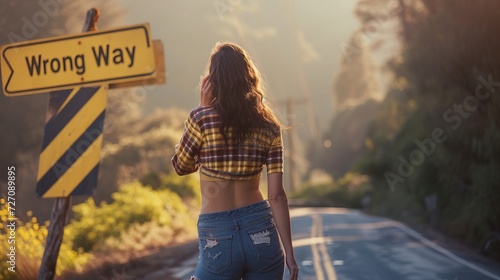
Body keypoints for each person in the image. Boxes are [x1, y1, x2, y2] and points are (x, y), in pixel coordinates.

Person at [172, 42, 299, 280]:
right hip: (260, 229)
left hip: (216, 234)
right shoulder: (269, 126)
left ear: (213, 81)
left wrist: (202, 107)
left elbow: (181, 166)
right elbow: (276, 196)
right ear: (249, 78)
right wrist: (290, 253)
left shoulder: (201, 118)